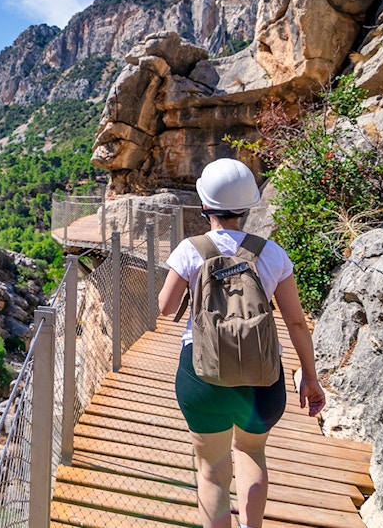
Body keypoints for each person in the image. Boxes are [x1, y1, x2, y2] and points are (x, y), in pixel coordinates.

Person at [157, 158, 326, 528]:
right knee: (252, 453)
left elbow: (166, 308)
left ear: (205, 205)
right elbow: (296, 321)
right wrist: (310, 378)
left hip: (203, 374)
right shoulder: (272, 253)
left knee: (212, 472)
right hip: (263, 374)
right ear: (248, 207)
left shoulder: (190, 249)